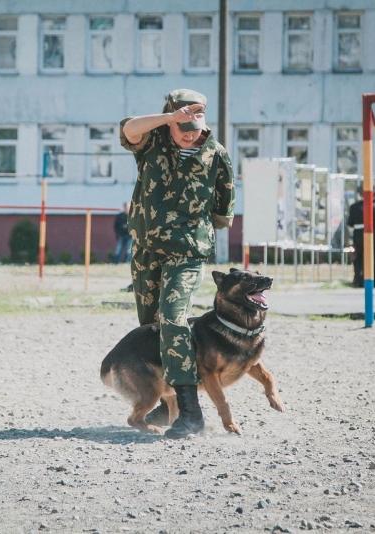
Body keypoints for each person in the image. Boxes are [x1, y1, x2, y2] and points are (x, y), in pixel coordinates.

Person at [120, 88, 235, 439]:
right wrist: (170, 118)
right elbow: (128, 129)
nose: (190, 134)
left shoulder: (217, 155)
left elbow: (223, 214)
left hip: (186, 251)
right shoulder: (151, 141)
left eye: (195, 127)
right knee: (151, 326)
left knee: (173, 317)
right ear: (169, 120)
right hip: (146, 250)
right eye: (183, 126)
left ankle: (191, 412)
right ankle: (167, 406)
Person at [346, 192, 365, 288]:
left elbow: (350, 223)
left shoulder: (354, 207)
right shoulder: (373, 205)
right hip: (370, 235)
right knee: (368, 258)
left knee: (357, 258)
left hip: (357, 235)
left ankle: (357, 279)